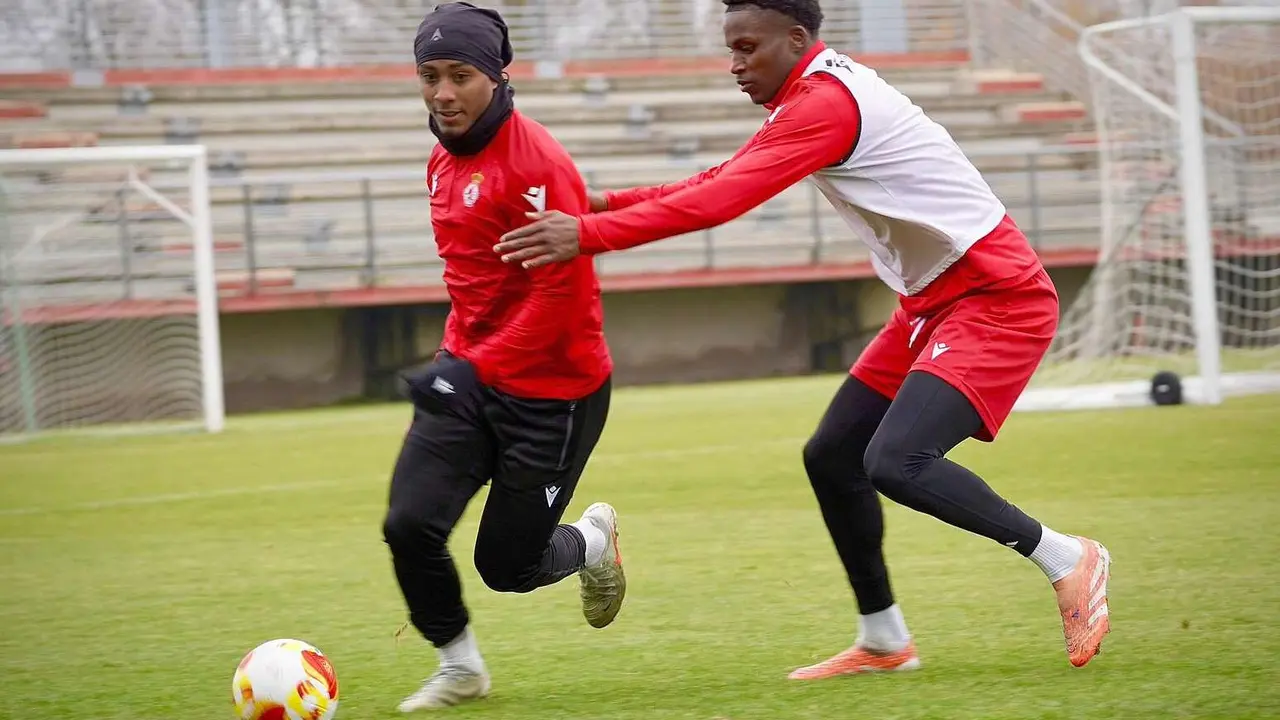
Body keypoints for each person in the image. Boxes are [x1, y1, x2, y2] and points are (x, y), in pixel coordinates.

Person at [493, 0, 1111, 678]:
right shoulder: (809, 97)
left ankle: (1066, 556)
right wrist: (605, 202)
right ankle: (885, 641)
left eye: (747, 47)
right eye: (731, 48)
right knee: (833, 456)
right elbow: (715, 181)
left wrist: (586, 234)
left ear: (795, 39)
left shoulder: (824, 105)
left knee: (896, 461)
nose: (735, 64)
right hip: (932, 302)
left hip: (996, 297)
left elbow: (721, 202)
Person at [381, 3, 626, 711]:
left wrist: (471, 368)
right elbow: (472, 282)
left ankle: (591, 542)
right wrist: (461, 361)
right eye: (429, 75)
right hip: (470, 377)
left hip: (555, 393)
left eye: (460, 75)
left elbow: (560, 298)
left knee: (507, 568)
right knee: (408, 525)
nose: (442, 93)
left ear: (497, 75)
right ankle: (460, 668)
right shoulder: (440, 158)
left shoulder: (538, 164)